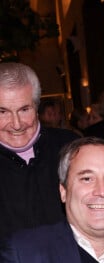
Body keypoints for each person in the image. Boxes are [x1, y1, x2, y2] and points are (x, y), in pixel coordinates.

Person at [0, 62, 78, 238]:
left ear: (36, 108)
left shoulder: (73, 147)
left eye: (24, 109)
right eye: (3, 112)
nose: (16, 124)